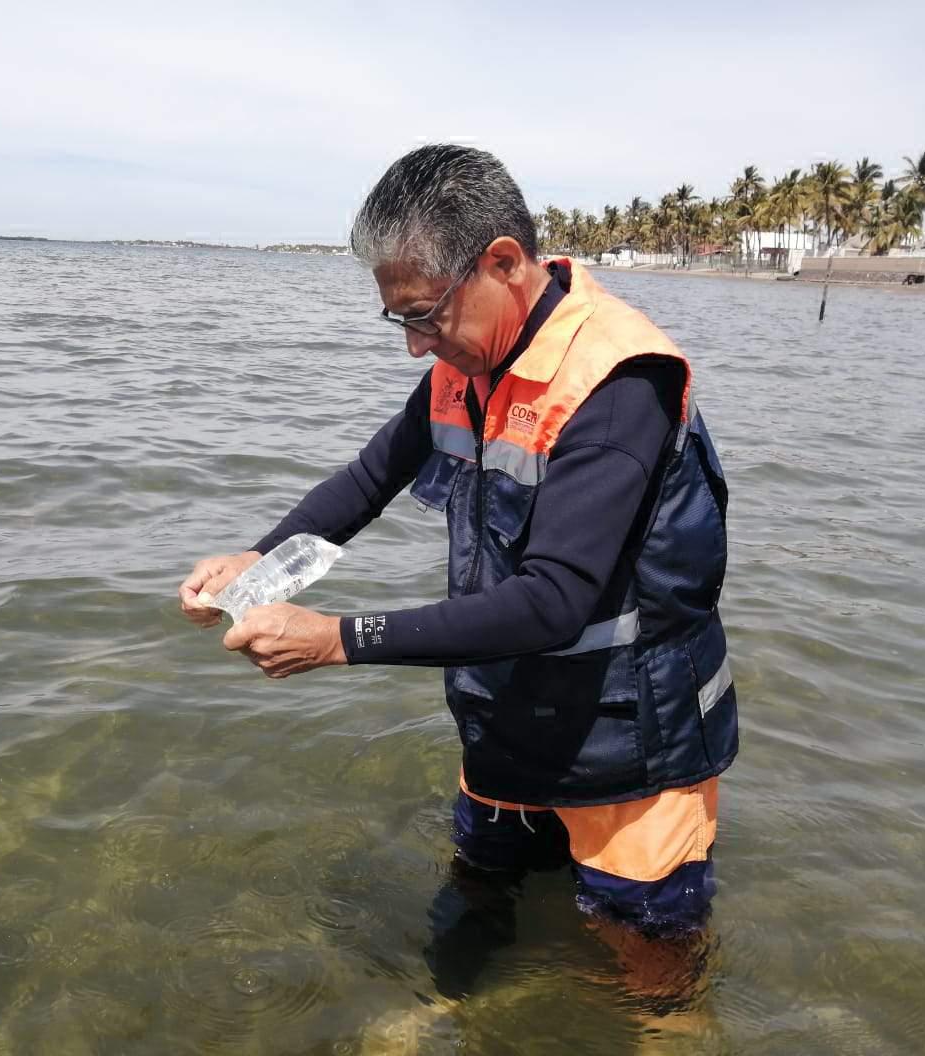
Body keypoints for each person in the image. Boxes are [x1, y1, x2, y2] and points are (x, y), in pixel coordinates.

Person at [177, 145, 736, 995]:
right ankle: (460, 1016)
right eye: (398, 320)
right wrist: (257, 559)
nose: (414, 347)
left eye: (426, 315)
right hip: (507, 710)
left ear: (504, 264)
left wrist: (336, 640)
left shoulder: (621, 381)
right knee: (480, 887)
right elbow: (369, 480)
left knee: (647, 959)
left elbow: (553, 601)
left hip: (633, 737)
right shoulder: (460, 365)